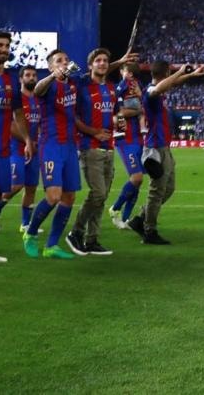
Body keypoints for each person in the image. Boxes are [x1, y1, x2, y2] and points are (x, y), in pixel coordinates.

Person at [65, 48, 134, 256]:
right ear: (90, 65)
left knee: (102, 197)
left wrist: (120, 124)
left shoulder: (112, 88)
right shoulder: (82, 85)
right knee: (98, 193)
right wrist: (93, 131)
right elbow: (74, 117)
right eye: (98, 60)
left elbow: (117, 113)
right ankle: (76, 232)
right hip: (90, 147)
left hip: (109, 148)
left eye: (105, 60)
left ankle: (92, 240)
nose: (102, 63)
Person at [127, 61, 204, 245]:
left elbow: (170, 84)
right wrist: (179, 72)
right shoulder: (150, 91)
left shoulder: (159, 91)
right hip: (155, 148)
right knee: (156, 191)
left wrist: (190, 75)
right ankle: (149, 231)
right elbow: (158, 88)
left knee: (168, 189)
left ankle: (140, 219)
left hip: (164, 147)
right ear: (167, 72)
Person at [22, 49, 90, 259]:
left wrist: (119, 63)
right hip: (51, 145)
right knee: (53, 196)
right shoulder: (47, 86)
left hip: (70, 146)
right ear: (51, 66)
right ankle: (30, 233)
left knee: (69, 197)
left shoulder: (73, 83)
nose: (64, 63)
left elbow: (97, 72)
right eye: (59, 61)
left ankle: (51, 246)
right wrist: (53, 76)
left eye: (66, 60)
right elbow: (37, 89)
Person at [0, 31, 33, 264]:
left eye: (7, 46)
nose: (4, 49)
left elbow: (18, 114)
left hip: (3, 150)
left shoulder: (9, 81)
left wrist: (27, 140)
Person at [0, 66, 40, 235]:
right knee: (15, 185)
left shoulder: (38, 100)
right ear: (20, 79)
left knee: (31, 187)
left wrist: (38, 140)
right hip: (15, 149)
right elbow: (11, 125)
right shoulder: (16, 98)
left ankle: (25, 224)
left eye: (34, 75)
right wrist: (28, 141)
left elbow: (39, 123)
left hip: (33, 151)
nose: (31, 78)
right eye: (27, 75)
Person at [108, 62, 145, 230]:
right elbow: (120, 113)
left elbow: (144, 107)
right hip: (125, 139)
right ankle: (115, 208)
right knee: (137, 178)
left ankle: (125, 218)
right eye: (124, 70)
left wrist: (140, 108)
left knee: (137, 182)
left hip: (138, 138)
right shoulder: (119, 88)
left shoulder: (138, 87)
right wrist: (138, 111)